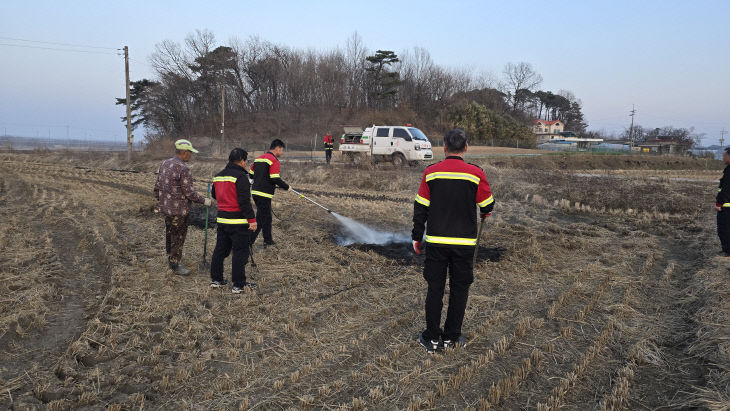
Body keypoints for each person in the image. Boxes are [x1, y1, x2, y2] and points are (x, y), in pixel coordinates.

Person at [411, 129, 494, 353]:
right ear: (466, 147)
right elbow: (487, 205)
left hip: (436, 242)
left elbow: (421, 208)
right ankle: (451, 338)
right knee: (460, 290)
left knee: (435, 289)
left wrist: (416, 237)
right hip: (464, 244)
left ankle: (431, 338)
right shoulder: (476, 173)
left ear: (444, 147)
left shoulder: (431, 172)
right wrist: (484, 212)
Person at [153, 139, 212, 276]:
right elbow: (189, 193)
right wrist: (205, 201)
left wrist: (161, 201)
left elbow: (157, 187)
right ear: (185, 152)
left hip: (166, 209)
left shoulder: (165, 163)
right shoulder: (184, 169)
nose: (191, 155)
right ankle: (175, 264)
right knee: (178, 237)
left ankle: (170, 258)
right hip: (179, 211)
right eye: (190, 153)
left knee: (170, 233)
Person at [210, 148, 259, 293]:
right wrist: (252, 220)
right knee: (239, 252)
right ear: (242, 161)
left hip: (222, 220)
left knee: (220, 250)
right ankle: (238, 285)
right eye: (246, 161)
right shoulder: (241, 177)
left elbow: (214, 195)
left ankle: (216, 280)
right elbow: (244, 202)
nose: (246, 164)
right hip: (238, 222)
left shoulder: (218, 176)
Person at [249, 139, 291, 246]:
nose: (281, 153)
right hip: (264, 194)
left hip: (255, 192)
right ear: (277, 148)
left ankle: (268, 240)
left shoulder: (258, 159)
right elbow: (275, 178)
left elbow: (251, 174)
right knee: (261, 218)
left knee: (267, 217)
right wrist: (287, 187)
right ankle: (248, 242)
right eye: (281, 150)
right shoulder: (274, 160)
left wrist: (260, 180)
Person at [716, 147, 730, 256]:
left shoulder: (729, 171)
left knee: (724, 229)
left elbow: (725, 190)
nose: (723, 157)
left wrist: (720, 204)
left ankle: (727, 251)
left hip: (726, 207)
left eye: (724, 155)